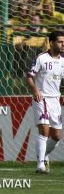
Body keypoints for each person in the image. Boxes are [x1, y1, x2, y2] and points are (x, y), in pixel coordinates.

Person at [26, 30, 64, 173]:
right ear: (52, 42)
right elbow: (29, 76)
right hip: (42, 98)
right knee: (44, 130)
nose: (63, 44)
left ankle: (44, 155)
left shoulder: (62, 61)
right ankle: (40, 165)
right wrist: (35, 90)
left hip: (55, 100)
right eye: (60, 42)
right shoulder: (41, 58)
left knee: (56, 136)